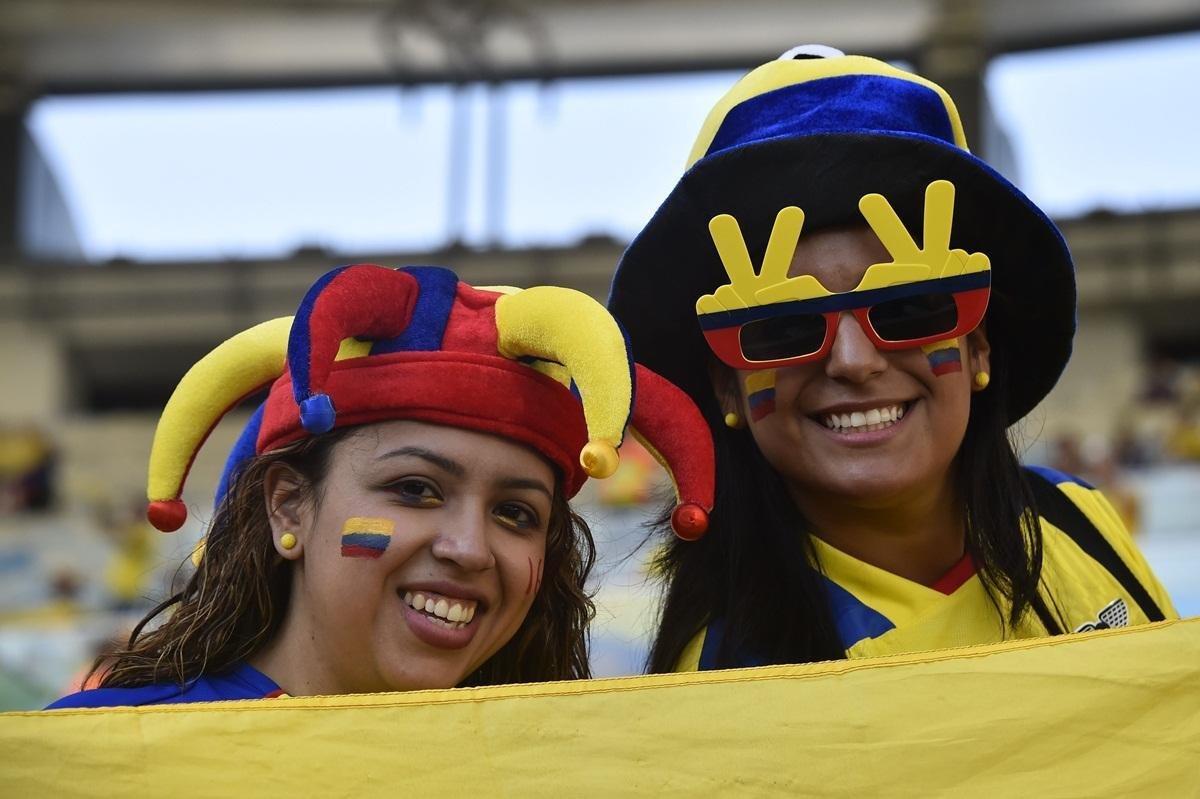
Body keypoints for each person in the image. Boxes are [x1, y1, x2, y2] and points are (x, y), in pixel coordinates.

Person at [607, 47, 1177, 671]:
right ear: (727, 388)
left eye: (910, 310)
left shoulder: (1082, 522)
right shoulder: (716, 678)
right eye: (783, 329)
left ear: (979, 345)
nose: (854, 362)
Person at [49, 263, 713, 707]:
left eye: (516, 513)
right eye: (416, 489)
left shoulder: (562, 773)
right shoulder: (104, 753)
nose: (469, 548)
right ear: (288, 506)